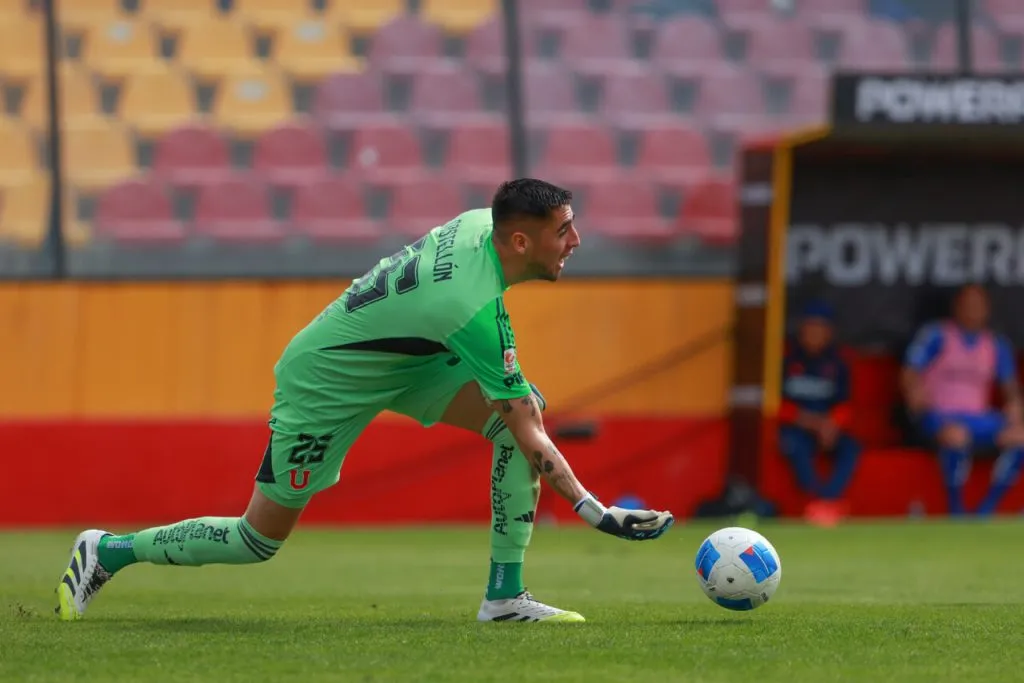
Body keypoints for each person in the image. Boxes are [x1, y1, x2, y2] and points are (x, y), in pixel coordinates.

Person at [55, 179, 675, 623]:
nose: (576, 239)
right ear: (518, 240)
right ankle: (108, 550)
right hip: (329, 377)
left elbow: (519, 415)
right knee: (258, 540)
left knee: (517, 418)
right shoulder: (469, 306)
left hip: (409, 355)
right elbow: (530, 426)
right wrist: (598, 513)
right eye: (564, 230)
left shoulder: (479, 224)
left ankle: (505, 598)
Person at [902, 284, 1024, 516]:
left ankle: (986, 511)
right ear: (956, 306)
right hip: (938, 415)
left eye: (978, 305)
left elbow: (1011, 389)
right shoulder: (936, 334)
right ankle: (956, 511)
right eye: (968, 304)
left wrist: (1016, 407)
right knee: (956, 435)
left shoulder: (996, 344)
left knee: (1020, 436)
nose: (973, 310)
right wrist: (915, 393)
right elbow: (909, 373)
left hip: (978, 419)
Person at [778, 301, 860, 527]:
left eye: (820, 328)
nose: (814, 334)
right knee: (795, 445)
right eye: (810, 328)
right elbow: (775, 404)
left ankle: (827, 501)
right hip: (797, 426)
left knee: (850, 447)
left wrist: (832, 424)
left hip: (828, 427)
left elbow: (846, 404)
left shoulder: (838, 362)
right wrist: (808, 421)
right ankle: (815, 500)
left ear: (829, 332)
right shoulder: (787, 358)